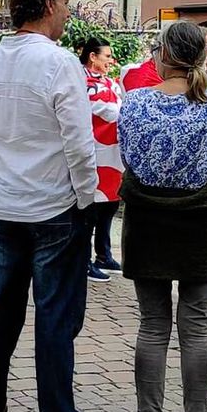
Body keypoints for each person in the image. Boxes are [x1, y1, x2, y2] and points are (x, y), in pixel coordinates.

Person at [0, 0, 108, 412]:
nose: (69, 9)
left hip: (6, 206)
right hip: (53, 207)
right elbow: (79, 144)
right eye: (66, 0)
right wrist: (85, 198)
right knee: (56, 317)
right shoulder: (60, 62)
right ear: (47, 4)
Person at [117, 20, 207, 412]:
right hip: (202, 225)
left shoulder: (133, 103)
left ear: (163, 54)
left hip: (148, 221)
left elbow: (127, 158)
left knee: (152, 326)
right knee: (195, 329)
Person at [80, 37, 124, 282]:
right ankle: (83, 259)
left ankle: (103, 254)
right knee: (92, 208)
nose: (110, 60)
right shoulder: (83, 82)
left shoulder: (111, 82)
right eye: (106, 56)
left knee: (109, 204)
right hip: (94, 151)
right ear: (92, 56)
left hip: (112, 153)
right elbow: (104, 110)